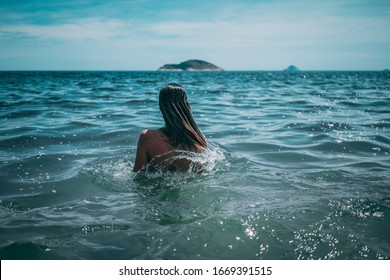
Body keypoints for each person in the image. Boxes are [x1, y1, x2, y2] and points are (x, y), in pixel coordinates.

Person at [133, 83, 208, 172]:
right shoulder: (199, 140)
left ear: (161, 106)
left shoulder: (147, 137)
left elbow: (137, 174)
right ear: (186, 106)